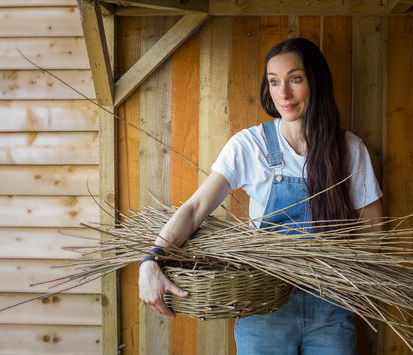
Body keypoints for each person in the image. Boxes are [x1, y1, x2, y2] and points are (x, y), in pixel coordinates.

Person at [139, 37, 383, 354]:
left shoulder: (349, 149)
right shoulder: (250, 146)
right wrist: (151, 259)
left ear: (316, 82)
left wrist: (336, 273)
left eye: (295, 79)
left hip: (331, 308)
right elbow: (196, 207)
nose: (283, 93)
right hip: (264, 308)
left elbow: (373, 231)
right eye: (274, 82)